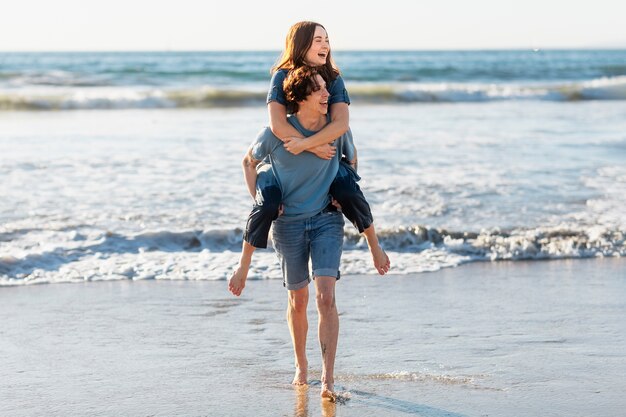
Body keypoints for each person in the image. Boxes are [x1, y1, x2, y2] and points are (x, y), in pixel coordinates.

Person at [228, 21, 389, 296]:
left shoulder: (334, 78)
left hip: (324, 158)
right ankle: (244, 264)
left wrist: (310, 145)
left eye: (327, 39)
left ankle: (374, 245)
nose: (325, 45)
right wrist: (310, 147)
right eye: (318, 40)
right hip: (286, 162)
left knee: (348, 190)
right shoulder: (282, 76)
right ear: (301, 44)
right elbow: (278, 126)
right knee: (266, 204)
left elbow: (340, 124)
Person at [237, 66, 353, 400]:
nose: (327, 95)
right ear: (300, 97)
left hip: (325, 220)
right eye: (319, 89)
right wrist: (263, 202)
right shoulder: (276, 133)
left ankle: (328, 378)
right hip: (287, 225)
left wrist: (340, 192)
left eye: (326, 89)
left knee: (325, 296)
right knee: (298, 299)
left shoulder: (336, 128)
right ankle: (302, 367)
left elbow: (352, 158)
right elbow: (248, 161)